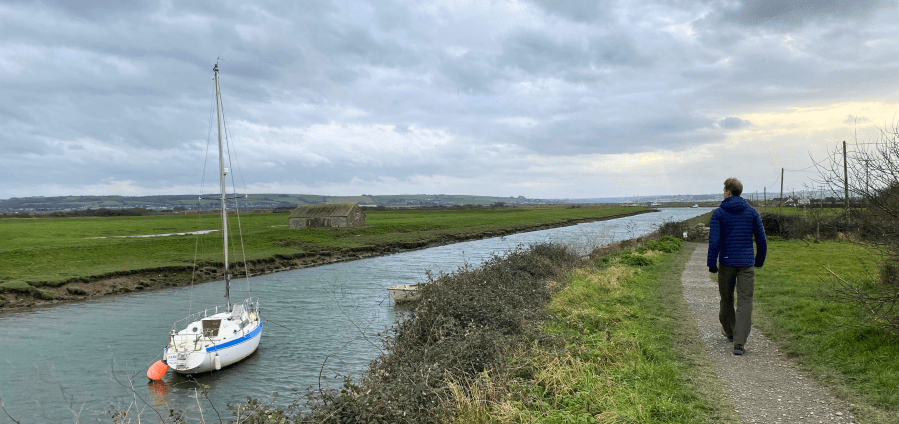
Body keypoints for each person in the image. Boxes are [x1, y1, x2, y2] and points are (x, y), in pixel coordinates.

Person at [707, 178, 767, 355]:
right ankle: (739, 343)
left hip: (726, 262)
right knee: (745, 301)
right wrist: (759, 260)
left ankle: (729, 330)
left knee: (726, 298)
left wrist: (711, 263)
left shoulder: (719, 213)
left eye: (724, 189)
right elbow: (762, 240)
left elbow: (715, 241)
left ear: (728, 192)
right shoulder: (752, 212)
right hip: (746, 263)